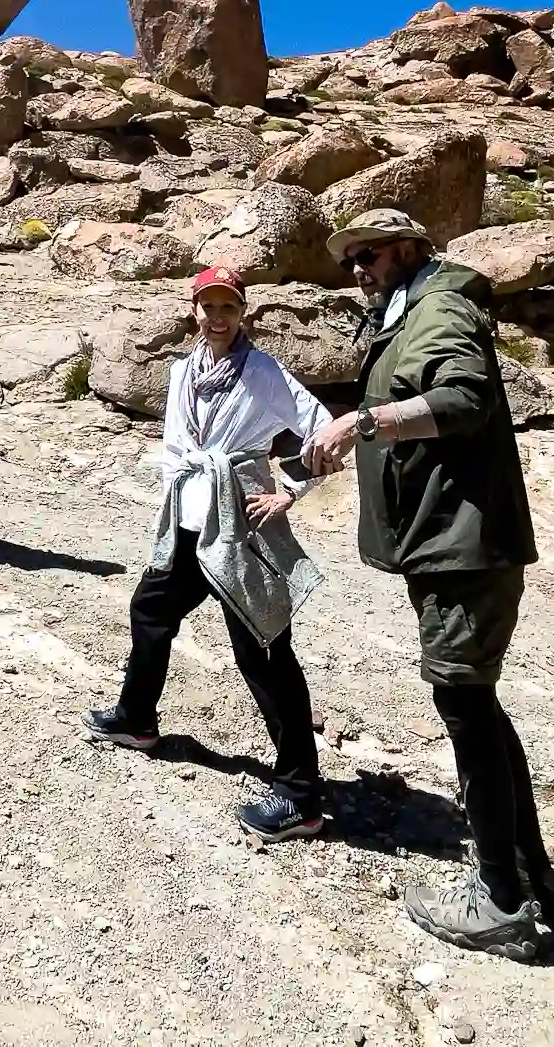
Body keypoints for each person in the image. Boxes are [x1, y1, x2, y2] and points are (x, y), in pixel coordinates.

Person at [303, 207, 554, 961]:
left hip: (462, 548)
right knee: (476, 703)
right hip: (448, 542)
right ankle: (528, 872)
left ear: (410, 248)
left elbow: (464, 401)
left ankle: (501, 901)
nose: (358, 269)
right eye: (350, 260)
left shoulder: (439, 306)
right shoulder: (409, 308)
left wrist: (361, 424)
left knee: (464, 707)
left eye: (370, 254)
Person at [80, 264, 336, 844]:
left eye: (228, 308)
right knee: (151, 608)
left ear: (242, 312)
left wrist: (289, 492)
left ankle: (301, 796)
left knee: (264, 652)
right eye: (208, 306)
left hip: (239, 523)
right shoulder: (183, 372)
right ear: (194, 309)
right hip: (191, 521)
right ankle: (136, 718)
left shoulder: (264, 374)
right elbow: (176, 446)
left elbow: (323, 432)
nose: (217, 318)